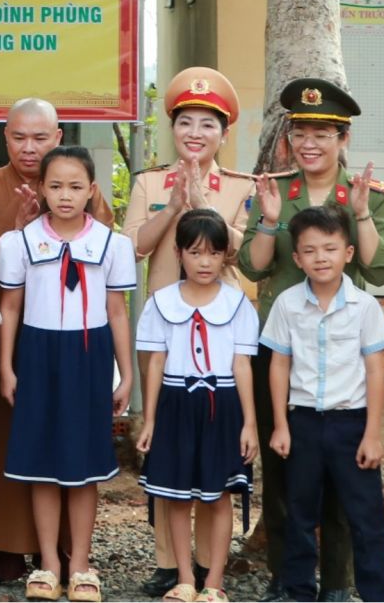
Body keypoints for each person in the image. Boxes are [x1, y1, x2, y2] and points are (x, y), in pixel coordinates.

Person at [237, 78, 384, 601]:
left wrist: (365, 212)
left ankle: (338, 583)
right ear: (289, 138)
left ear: (342, 139)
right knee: (286, 474)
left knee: (346, 481)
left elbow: (379, 270)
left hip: (345, 353)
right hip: (284, 347)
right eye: (301, 131)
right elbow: (253, 268)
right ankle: (289, 579)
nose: (310, 143)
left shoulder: (365, 194)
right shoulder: (274, 191)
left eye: (323, 133)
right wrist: (267, 220)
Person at [0, 98, 115, 582]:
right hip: (12, 335)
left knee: (73, 445)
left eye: (41, 137)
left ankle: (72, 554)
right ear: (4, 137)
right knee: (6, 440)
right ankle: (1, 546)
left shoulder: (81, 185)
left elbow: (104, 247)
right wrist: (14, 233)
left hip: (76, 341)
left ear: (58, 136)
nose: (29, 148)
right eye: (19, 137)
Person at [122, 67, 253, 597]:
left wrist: (200, 207)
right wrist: (174, 207)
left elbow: (241, 249)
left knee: (212, 450)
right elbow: (134, 245)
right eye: (186, 123)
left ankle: (205, 566)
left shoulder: (242, 187)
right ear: (172, 129)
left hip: (219, 335)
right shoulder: (150, 183)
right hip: (164, 325)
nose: (195, 134)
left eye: (207, 125)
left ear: (223, 134)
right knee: (167, 443)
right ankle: (167, 562)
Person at [0, 145, 136, 603]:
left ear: (92, 190)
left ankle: (80, 564)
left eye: (75, 186)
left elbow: (117, 311)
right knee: (41, 463)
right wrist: (6, 366)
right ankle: (48, 564)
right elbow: (10, 307)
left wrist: (126, 374)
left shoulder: (113, 245)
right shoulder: (18, 242)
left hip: (89, 355)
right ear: (40, 189)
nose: (65, 195)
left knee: (84, 462)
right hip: (37, 355)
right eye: (55, 186)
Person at [260, 206, 384, 603]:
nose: (321, 258)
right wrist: (281, 425)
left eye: (330, 249)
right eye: (311, 250)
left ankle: (376, 595)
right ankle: (299, 591)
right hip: (302, 424)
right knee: (300, 513)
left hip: (352, 425)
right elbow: (279, 364)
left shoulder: (364, 307)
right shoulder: (286, 304)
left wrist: (372, 434)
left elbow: (375, 371)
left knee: (365, 517)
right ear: (297, 258)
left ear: (348, 254)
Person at [134, 209, 258, 603]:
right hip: (175, 403)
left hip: (222, 406)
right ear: (179, 253)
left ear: (225, 256)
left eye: (214, 253)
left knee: (219, 495)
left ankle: (214, 582)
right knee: (176, 495)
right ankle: (184, 578)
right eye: (195, 252)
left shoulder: (238, 305)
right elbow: (155, 362)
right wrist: (150, 418)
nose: (205, 262)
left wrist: (249, 423)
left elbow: (242, 365)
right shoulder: (161, 303)